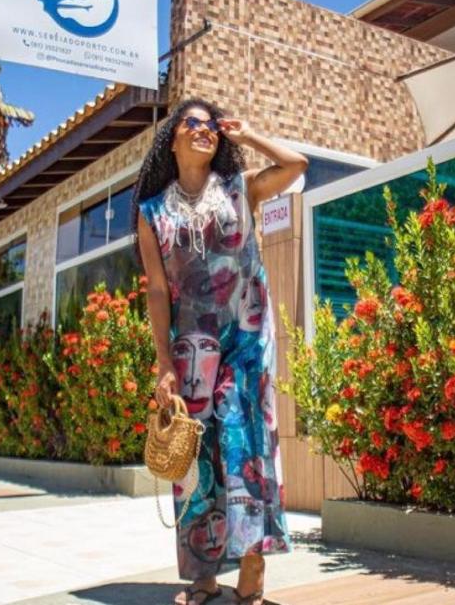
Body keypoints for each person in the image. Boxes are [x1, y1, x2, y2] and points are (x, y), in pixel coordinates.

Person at [133, 98, 308, 605]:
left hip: (247, 341)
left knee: (245, 446)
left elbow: (296, 166)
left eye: (212, 126)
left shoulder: (240, 189)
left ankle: (251, 568)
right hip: (189, 350)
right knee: (197, 458)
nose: (205, 130)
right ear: (173, 138)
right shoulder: (153, 212)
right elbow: (158, 291)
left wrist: (248, 134)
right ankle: (203, 576)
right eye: (193, 123)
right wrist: (164, 363)